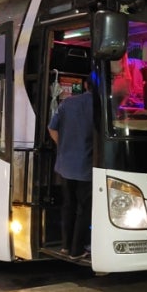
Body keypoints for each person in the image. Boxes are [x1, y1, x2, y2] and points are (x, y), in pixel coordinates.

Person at [47, 75, 94, 260]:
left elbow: (52, 128)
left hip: (65, 165)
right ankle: (77, 249)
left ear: (85, 85)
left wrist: (63, 146)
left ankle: (66, 247)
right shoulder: (100, 107)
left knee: (68, 205)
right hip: (86, 167)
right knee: (84, 208)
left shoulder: (67, 103)